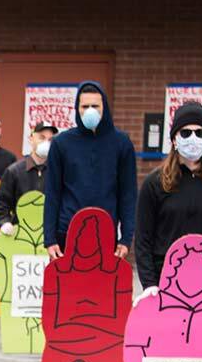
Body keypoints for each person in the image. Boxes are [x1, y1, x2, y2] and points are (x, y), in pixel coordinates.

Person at [135, 100, 202, 293]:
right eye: (186, 132)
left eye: (200, 132)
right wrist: (149, 284)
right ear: (174, 139)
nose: (193, 138)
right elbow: (143, 239)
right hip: (164, 279)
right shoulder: (154, 183)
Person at [41, 81, 136, 264]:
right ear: (77, 109)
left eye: (95, 106)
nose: (90, 111)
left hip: (106, 233)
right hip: (66, 232)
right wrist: (50, 238)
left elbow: (128, 194)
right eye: (85, 106)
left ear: (104, 107)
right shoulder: (62, 143)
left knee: (102, 290)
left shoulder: (121, 143)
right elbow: (53, 193)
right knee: (69, 290)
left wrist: (126, 238)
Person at [0, 122, 57, 232]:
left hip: (50, 236)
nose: (46, 143)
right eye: (41, 138)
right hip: (21, 235)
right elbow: (1, 204)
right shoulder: (14, 171)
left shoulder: (58, 171)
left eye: (50, 140)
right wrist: (4, 222)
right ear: (31, 139)